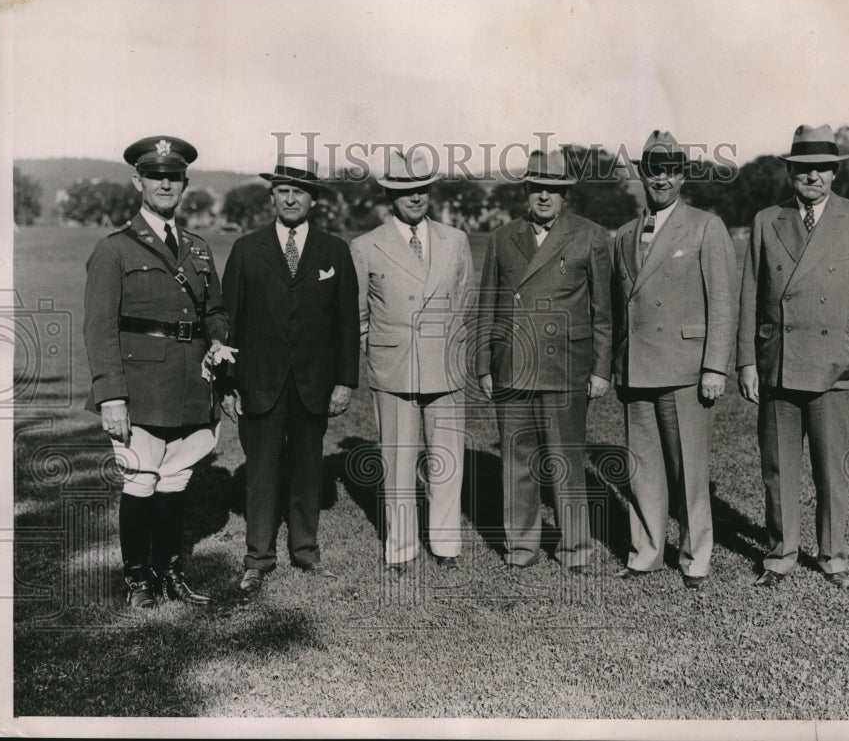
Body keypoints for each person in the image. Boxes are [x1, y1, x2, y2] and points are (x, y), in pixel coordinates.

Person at [737, 124, 849, 590]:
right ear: (790, 171)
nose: (814, 177)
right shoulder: (767, 219)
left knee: (831, 471)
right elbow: (751, 293)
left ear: (834, 173)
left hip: (834, 368)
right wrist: (747, 361)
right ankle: (781, 556)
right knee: (778, 470)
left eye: (823, 168)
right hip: (778, 364)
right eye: (804, 168)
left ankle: (833, 557)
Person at [84, 135, 228, 608]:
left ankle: (171, 573)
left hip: (190, 382)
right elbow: (99, 327)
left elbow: (216, 311)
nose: (165, 184)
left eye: (173, 177)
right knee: (140, 478)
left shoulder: (199, 248)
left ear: (184, 184)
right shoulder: (114, 249)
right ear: (138, 181)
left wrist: (221, 339)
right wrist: (111, 395)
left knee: (176, 478)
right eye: (155, 176)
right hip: (140, 385)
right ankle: (138, 578)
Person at [220, 156, 359, 595]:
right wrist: (227, 384)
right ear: (272, 196)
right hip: (258, 382)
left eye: (300, 191)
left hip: (313, 382)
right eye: (283, 190)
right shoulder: (247, 248)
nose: (291, 197)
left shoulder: (334, 250)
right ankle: (257, 558)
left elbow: (347, 324)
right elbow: (228, 323)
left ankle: (305, 550)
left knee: (307, 468)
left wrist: (344, 381)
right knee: (260, 471)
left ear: (313, 200)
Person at [611, 130, 738, 591]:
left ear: (682, 175)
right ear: (642, 174)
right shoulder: (624, 234)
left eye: (669, 170)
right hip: (637, 369)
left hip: (686, 369)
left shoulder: (705, 226)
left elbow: (723, 302)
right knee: (642, 468)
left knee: (689, 469)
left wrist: (715, 367)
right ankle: (645, 552)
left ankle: (694, 556)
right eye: (652, 170)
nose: (660, 179)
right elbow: (618, 307)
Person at [475, 149, 612, 574]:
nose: (545, 196)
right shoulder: (502, 238)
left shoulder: (590, 236)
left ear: (564, 194)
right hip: (513, 366)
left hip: (566, 367)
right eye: (537, 188)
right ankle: (520, 547)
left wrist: (602, 368)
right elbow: (487, 308)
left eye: (553, 189)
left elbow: (605, 313)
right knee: (517, 462)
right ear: (527, 191)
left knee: (566, 462)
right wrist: (484, 364)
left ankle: (576, 549)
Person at [349, 149, 473, 574]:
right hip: (394, 368)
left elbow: (465, 305)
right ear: (389, 195)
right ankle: (401, 549)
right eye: (405, 190)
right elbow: (358, 316)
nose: (415, 197)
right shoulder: (366, 247)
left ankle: (446, 545)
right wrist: (380, 350)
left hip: (446, 368)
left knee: (446, 461)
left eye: (421, 188)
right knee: (398, 463)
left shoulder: (455, 240)